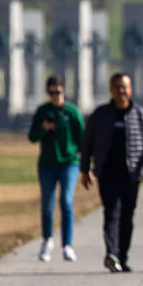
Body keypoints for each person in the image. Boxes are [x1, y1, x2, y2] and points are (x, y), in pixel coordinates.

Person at [80, 72, 143, 273]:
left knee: (127, 217)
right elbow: (87, 143)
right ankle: (111, 254)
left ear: (130, 89)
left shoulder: (141, 115)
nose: (121, 91)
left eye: (124, 87)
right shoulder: (100, 115)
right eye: (117, 87)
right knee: (111, 213)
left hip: (131, 175)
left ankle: (122, 257)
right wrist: (85, 170)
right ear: (111, 90)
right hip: (107, 174)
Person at [28, 74, 85, 261]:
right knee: (47, 204)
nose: (55, 96)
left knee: (66, 202)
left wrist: (88, 166)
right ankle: (47, 241)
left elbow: (83, 141)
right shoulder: (43, 111)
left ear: (63, 91)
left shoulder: (72, 111)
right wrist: (44, 127)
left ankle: (67, 245)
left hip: (69, 163)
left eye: (58, 92)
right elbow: (32, 137)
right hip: (47, 164)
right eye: (51, 93)